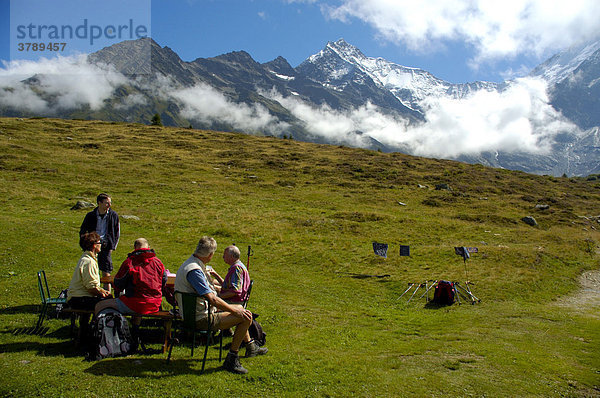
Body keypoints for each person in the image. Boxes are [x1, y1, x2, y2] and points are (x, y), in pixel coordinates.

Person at [174, 236, 267, 374]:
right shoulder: (195, 270)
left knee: (242, 310)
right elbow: (213, 299)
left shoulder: (190, 264)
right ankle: (232, 358)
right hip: (200, 318)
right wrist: (234, 311)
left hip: (190, 314)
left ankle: (250, 346)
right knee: (245, 316)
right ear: (210, 255)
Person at [94, 238, 167, 349]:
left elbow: (118, 283)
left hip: (136, 303)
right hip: (155, 304)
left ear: (134, 248)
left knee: (100, 305)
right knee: (137, 303)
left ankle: (96, 336)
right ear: (148, 247)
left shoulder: (130, 262)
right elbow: (163, 280)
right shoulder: (158, 262)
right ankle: (135, 331)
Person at [67, 231, 111, 342]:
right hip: (79, 298)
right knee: (108, 303)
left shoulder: (88, 259)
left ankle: (88, 332)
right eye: (99, 242)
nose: (101, 244)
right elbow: (91, 287)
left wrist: (101, 291)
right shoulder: (89, 262)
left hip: (78, 297)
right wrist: (102, 293)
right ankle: (97, 333)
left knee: (107, 299)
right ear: (94, 245)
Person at [79, 193, 120, 288]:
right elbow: (83, 230)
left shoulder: (113, 215)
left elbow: (117, 231)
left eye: (110, 203)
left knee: (106, 271)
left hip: (106, 245)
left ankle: (107, 294)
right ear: (99, 203)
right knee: (90, 267)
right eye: (107, 203)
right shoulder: (90, 215)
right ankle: (92, 289)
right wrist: (85, 243)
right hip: (92, 244)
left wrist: (112, 246)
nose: (109, 205)